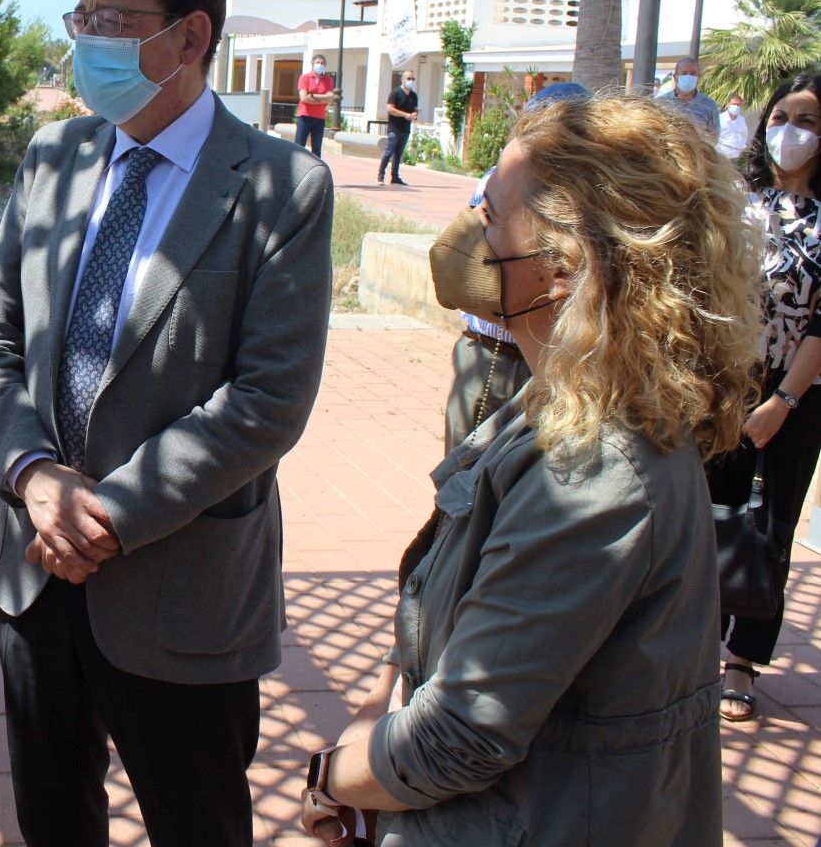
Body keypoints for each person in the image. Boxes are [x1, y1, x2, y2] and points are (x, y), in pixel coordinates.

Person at [297, 93, 759, 846]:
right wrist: (375, 721)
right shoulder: (563, 405)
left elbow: (460, 736)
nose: (472, 226)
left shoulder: (594, 469)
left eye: (491, 214)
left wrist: (330, 777)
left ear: (563, 264)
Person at [0, 0, 333, 847]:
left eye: (112, 20)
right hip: (36, 567)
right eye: (79, 16)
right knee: (53, 816)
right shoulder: (55, 157)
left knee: (197, 821)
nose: (86, 41)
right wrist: (33, 476)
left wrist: (110, 514)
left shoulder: (282, 186)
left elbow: (268, 399)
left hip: (182, 583)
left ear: (190, 38)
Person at [710, 73, 821, 723]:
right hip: (728, 387)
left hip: (797, 396)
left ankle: (744, 660)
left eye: (808, 119)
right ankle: (697, 645)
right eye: (784, 114)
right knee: (714, 514)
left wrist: (782, 400)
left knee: (770, 524)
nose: (792, 130)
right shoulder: (739, 202)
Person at [440, 82, 588, 455]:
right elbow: (463, 260)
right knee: (465, 472)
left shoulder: (576, 200)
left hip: (547, 358)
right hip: (492, 352)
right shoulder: (500, 179)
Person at [659, 55, 721, 134]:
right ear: (675, 77)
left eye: (692, 73)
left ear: (698, 77)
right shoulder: (661, 102)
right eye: (684, 73)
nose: (688, 76)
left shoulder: (709, 105)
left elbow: (714, 136)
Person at [294, 53, 338, 157]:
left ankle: (317, 171)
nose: (320, 64)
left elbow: (331, 97)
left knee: (317, 149)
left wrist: (312, 96)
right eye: (318, 62)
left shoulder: (328, 80)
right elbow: (303, 98)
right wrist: (323, 99)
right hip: (305, 116)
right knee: (299, 147)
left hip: (319, 118)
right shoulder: (305, 78)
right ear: (313, 64)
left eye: (322, 63)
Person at [380, 70, 417, 185]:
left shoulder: (413, 95)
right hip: (394, 128)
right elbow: (390, 109)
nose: (410, 81)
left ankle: (395, 177)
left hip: (405, 129)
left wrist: (414, 115)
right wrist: (404, 114)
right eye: (408, 78)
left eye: (412, 79)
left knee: (398, 154)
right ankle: (380, 175)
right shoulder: (395, 93)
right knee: (389, 152)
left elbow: (414, 109)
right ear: (403, 79)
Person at [718, 92, 751, 161]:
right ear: (728, 105)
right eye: (733, 104)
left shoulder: (741, 120)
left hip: (735, 157)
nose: (736, 106)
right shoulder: (720, 118)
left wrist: (741, 148)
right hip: (720, 156)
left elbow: (744, 135)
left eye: (738, 105)